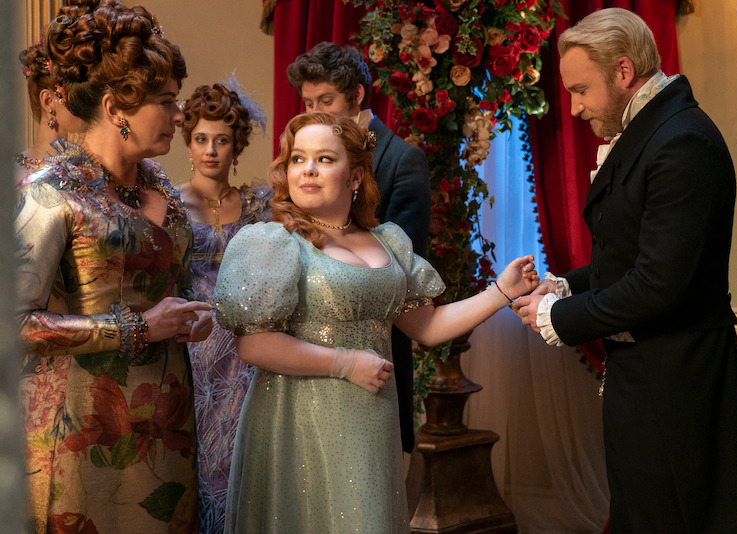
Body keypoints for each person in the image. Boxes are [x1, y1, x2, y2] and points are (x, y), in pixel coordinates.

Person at [214, 112, 537, 533]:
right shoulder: (272, 242)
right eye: (298, 159)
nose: (308, 169)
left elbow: (427, 326)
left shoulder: (388, 240)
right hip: (299, 421)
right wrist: (345, 363)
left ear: (355, 177)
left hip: (371, 419)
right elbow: (254, 345)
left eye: (325, 159)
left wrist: (502, 292)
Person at [512, 8, 737, 533]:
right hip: (647, 378)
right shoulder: (652, 131)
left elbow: (659, 283)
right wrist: (566, 283)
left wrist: (559, 314)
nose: (573, 108)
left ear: (622, 72)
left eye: (580, 90)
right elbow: (630, 256)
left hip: (677, 382)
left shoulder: (681, 139)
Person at [15, 2, 213, 532]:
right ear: (115, 107)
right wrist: (139, 327)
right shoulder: (48, 193)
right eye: (167, 102)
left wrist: (192, 315)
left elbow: (168, 287)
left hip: (167, 429)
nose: (179, 116)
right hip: (79, 431)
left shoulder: (162, 189)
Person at [287, 41, 432, 453]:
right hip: (307, 341)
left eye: (327, 99)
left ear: (357, 95)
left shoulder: (402, 160)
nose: (317, 110)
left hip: (374, 342)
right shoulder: (306, 160)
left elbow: (403, 269)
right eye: (309, 101)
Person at [177, 80, 272, 534]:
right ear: (188, 143)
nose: (211, 150)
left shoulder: (259, 207)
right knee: (196, 459)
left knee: (243, 459)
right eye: (201, 139)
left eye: (222, 140)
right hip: (193, 349)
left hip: (249, 349)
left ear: (237, 146)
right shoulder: (168, 205)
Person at [16, 41, 85, 185]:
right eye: (74, 96)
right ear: (48, 101)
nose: (85, 106)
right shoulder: (9, 172)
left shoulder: (88, 173)